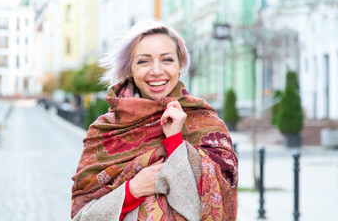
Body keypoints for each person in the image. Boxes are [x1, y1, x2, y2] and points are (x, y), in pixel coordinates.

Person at [71, 21, 238, 221]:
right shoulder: (105, 130)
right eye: (144, 61)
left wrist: (175, 141)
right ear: (129, 69)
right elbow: (82, 216)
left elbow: (211, 208)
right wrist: (132, 190)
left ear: (179, 66)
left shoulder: (206, 123)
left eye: (167, 60)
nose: (157, 70)